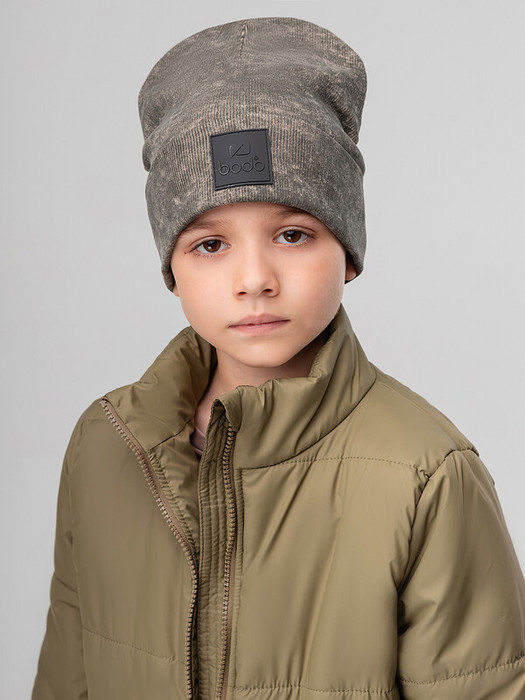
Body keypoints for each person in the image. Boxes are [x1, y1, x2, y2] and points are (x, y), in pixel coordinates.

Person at [32, 16, 525, 700]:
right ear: (172, 271)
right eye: (210, 245)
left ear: (347, 254)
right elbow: (68, 674)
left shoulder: (426, 474)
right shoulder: (106, 443)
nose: (254, 279)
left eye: (293, 234)